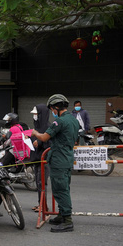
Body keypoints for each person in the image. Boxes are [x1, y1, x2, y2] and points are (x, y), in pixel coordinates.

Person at [32, 94, 80, 232]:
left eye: (53, 110)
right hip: (68, 157)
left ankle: (67, 221)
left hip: (59, 159)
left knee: (60, 189)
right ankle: (62, 215)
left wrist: (35, 132)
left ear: (56, 108)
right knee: (64, 187)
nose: (52, 113)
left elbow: (44, 136)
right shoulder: (73, 120)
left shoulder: (59, 122)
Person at [30, 105, 51, 212]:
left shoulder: (48, 127)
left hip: (44, 159)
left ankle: (43, 205)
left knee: (42, 183)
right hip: (37, 159)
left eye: (36, 114)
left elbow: (49, 144)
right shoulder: (37, 126)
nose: (34, 116)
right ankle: (40, 203)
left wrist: (39, 141)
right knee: (38, 182)